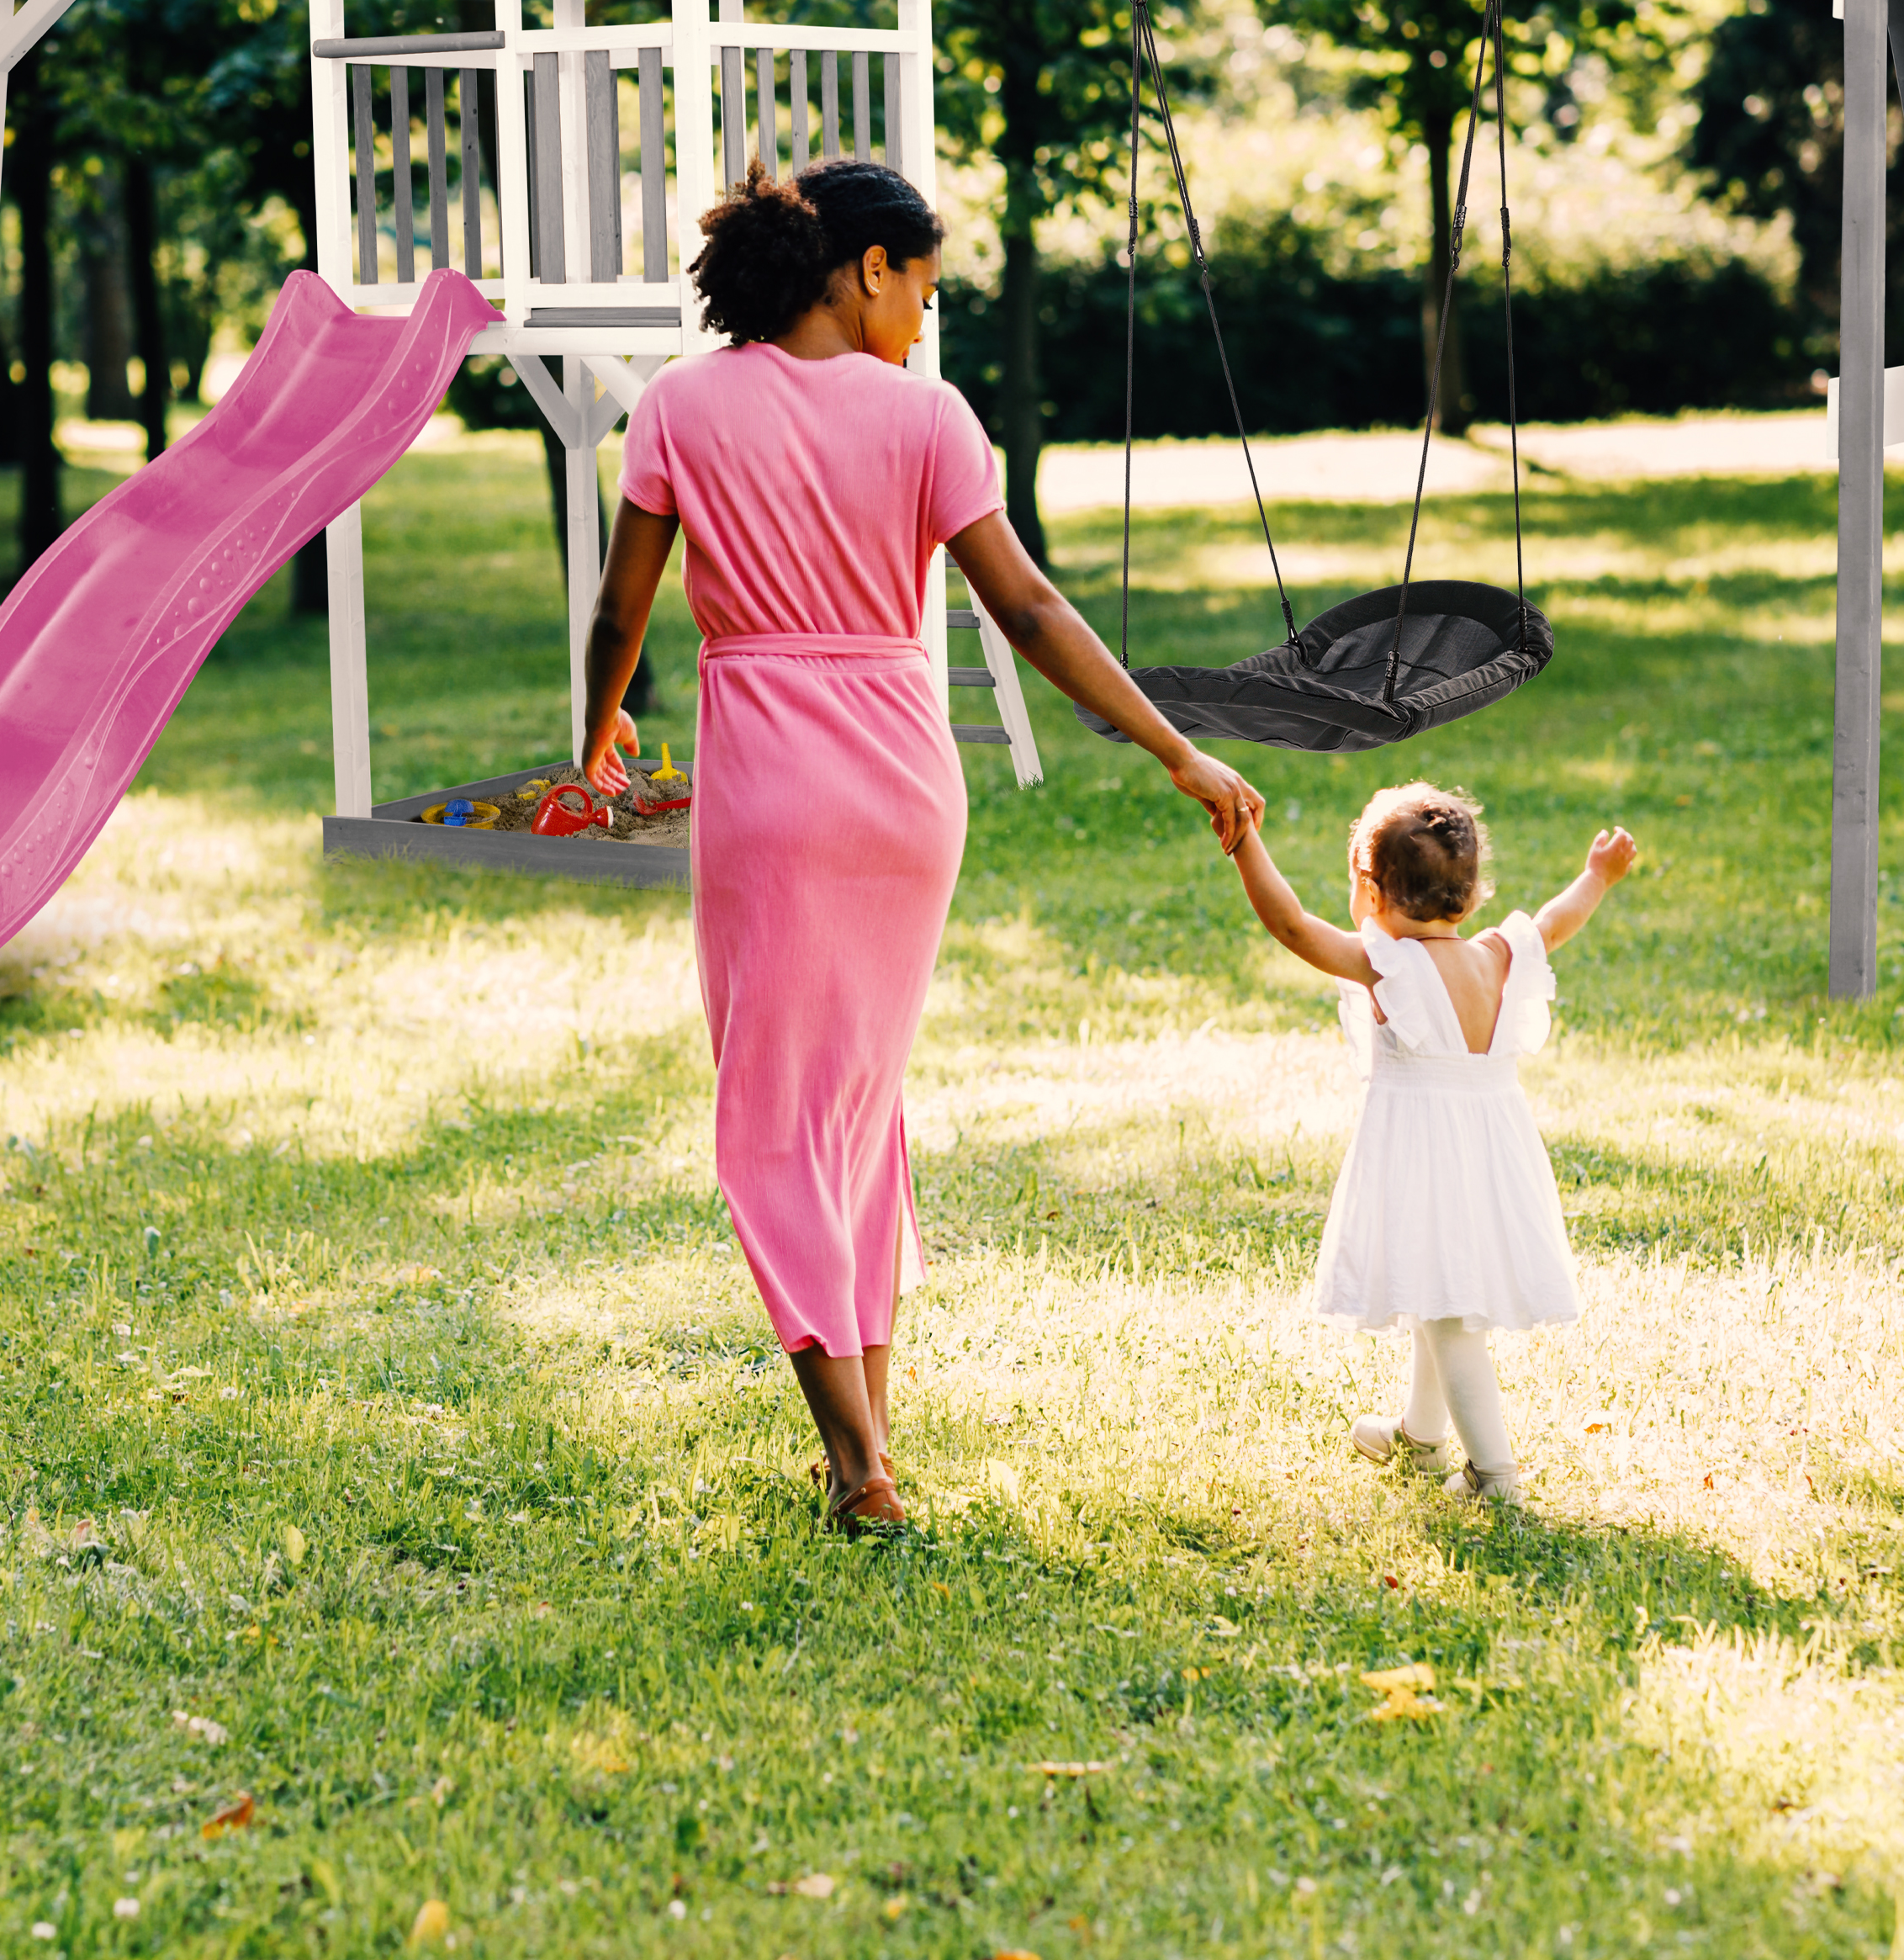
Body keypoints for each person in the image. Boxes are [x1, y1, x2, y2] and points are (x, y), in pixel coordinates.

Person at [579, 158, 1263, 1530]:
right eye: (925, 289)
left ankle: (857, 1464)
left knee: (775, 1120)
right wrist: (1175, 746)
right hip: (903, 783)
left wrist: (593, 734)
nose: (925, 320)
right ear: (866, 267)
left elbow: (621, 609)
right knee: (855, 1110)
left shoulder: (680, 405)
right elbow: (1029, 611)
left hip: (771, 782)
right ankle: (870, 1436)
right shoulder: (929, 418)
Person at [1224, 781, 1637, 1503]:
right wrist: (1596, 876)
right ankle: (1420, 1437)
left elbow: (1290, 925)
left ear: (1371, 891)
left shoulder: (1389, 966)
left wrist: (1244, 841)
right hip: (1492, 1157)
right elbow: (1556, 919)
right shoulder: (1501, 955)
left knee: (1448, 1318)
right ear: (1471, 896)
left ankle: (1494, 1476)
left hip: (1425, 1160)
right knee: (1433, 1288)